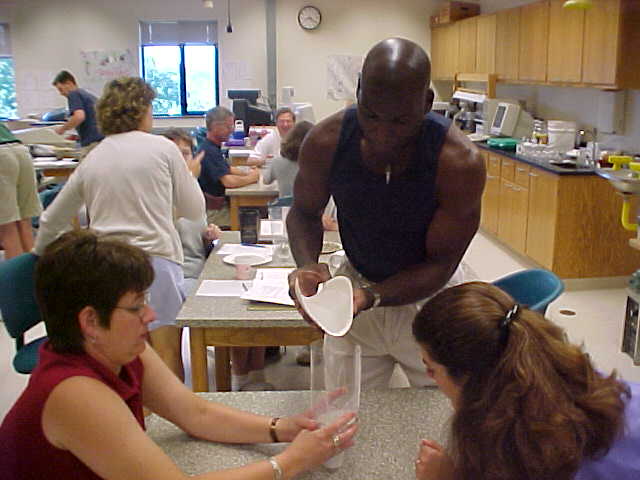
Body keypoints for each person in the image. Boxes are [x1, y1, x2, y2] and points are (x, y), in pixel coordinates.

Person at [0, 230, 358, 480]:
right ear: (90, 321)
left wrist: (281, 429)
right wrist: (290, 463)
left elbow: (195, 414)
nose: (150, 315)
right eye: (136, 307)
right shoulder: (73, 392)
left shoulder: (117, 348)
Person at [287, 38, 485, 389]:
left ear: (426, 103)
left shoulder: (457, 162)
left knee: (440, 409)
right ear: (359, 92)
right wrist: (306, 265)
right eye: (371, 115)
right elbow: (303, 212)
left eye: (400, 120)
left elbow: (441, 263)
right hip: (357, 282)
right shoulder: (326, 142)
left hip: (431, 298)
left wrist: (372, 296)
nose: (382, 132)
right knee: (344, 405)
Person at [34, 77, 204, 382]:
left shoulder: (94, 156)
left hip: (108, 269)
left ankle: (129, 409)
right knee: (167, 354)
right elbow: (194, 211)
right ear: (143, 110)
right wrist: (188, 178)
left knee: (124, 359)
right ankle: (168, 413)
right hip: (158, 263)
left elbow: (51, 220)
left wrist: (35, 257)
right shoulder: (163, 149)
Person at [412, 281, 639, 480]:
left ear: (469, 379)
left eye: (431, 369)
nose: (431, 378)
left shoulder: (528, 448)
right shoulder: (581, 379)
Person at [163, 128, 222, 295]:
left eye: (185, 154)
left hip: (202, 270)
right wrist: (189, 176)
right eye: (175, 154)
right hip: (180, 277)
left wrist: (208, 238)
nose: (181, 160)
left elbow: (195, 243)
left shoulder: (193, 189)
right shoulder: (159, 193)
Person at [198, 106, 259, 226]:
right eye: (228, 126)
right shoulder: (209, 151)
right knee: (251, 222)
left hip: (219, 205)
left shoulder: (212, 146)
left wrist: (248, 172)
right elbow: (228, 182)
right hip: (215, 212)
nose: (232, 130)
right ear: (216, 126)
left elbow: (227, 169)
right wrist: (252, 178)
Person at [0, 123, 42, 259]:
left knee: (7, 228)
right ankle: (32, 269)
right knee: (24, 223)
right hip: (21, 151)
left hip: (2, 157)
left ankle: (15, 272)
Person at [52, 70, 104, 156]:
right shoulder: (86, 95)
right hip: (101, 141)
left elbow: (79, 116)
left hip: (92, 143)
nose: (61, 93)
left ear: (68, 83)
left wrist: (62, 129)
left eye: (61, 89)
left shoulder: (74, 94)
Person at [262, 120, 313, 198]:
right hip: (313, 204)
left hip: (287, 204)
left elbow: (266, 180)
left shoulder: (277, 162)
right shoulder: (319, 164)